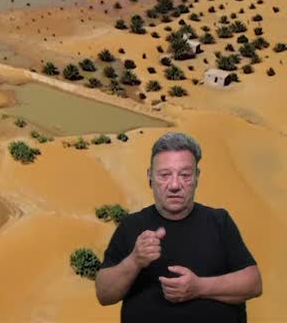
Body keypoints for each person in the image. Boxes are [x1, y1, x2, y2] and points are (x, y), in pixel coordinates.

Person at [95, 132, 262, 321]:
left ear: (197, 176)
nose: (174, 185)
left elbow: (253, 283)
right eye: (164, 175)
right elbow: (104, 294)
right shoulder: (131, 225)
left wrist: (199, 287)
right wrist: (134, 260)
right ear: (150, 176)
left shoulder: (219, 221)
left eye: (184, 175)